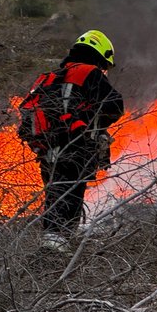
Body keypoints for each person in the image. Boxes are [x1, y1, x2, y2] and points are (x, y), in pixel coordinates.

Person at [33, 30, 124, 253]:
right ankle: (56, 249)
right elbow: (115, 106)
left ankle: (53, 242)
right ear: (100, 54)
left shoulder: (52, 75)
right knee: (71, 193)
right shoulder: (90, 73)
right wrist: (93, 120)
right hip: (76, 147)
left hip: (46, 150)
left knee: (54, 193)